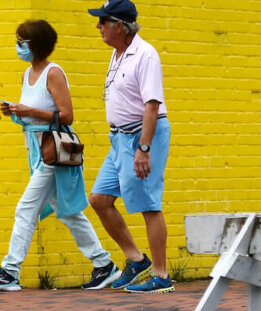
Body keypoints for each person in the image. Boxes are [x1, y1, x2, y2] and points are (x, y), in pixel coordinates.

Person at [0, 19, 121, 292]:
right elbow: (31, 115)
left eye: (22, 41)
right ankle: (104, 264)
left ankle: (10, 271)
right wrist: (15, 112)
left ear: (36, 44)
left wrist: (28, 111)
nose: (18, 46)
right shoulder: (26, 74)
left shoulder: (53, 73)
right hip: (36, 150)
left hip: (53, 153)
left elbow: (66, 115)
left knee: (25, 208)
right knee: (68, 214)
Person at [87, 0, 175, 293]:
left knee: (149, 204)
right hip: (119, 139)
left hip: (142, 136)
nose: (98, 26)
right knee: (99, 199)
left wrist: (144, 149)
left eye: (103, 21)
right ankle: (137, 259)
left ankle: (161, 276)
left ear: (120, 26)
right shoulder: (118, 54)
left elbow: (152, 105)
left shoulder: (145, 55)